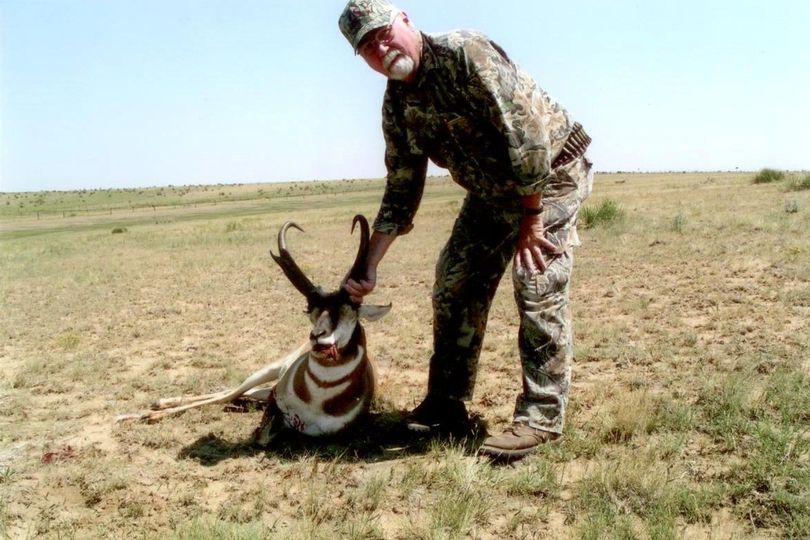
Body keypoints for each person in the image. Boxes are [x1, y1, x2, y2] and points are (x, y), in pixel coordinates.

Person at [339, 0, 593, 460]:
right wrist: (370, 266)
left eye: (383, 33)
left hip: (552, 174)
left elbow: (530, 136)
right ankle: (446, 405)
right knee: (453, 283)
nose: (381, 48)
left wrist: (532, 219)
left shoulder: (465, 53)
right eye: (368, 48)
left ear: (406, 22)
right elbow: (401, 190)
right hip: (493, 193)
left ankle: (540, 418)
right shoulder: (398, 107)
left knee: (535, 278)